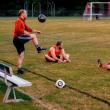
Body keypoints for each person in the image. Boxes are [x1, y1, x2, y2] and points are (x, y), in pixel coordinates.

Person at [13, 9, 47, 74]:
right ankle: (38, 49)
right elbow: (19, 31)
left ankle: (19, 69)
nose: (27, 14)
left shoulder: (23, 21)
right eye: (26, 13)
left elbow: (28, 29)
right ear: (22, 14)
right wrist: (28, 34)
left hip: (18, 40)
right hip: (18, 38)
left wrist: (37, 31)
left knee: (21, 55)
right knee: (33, 36)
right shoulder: (18, 21)